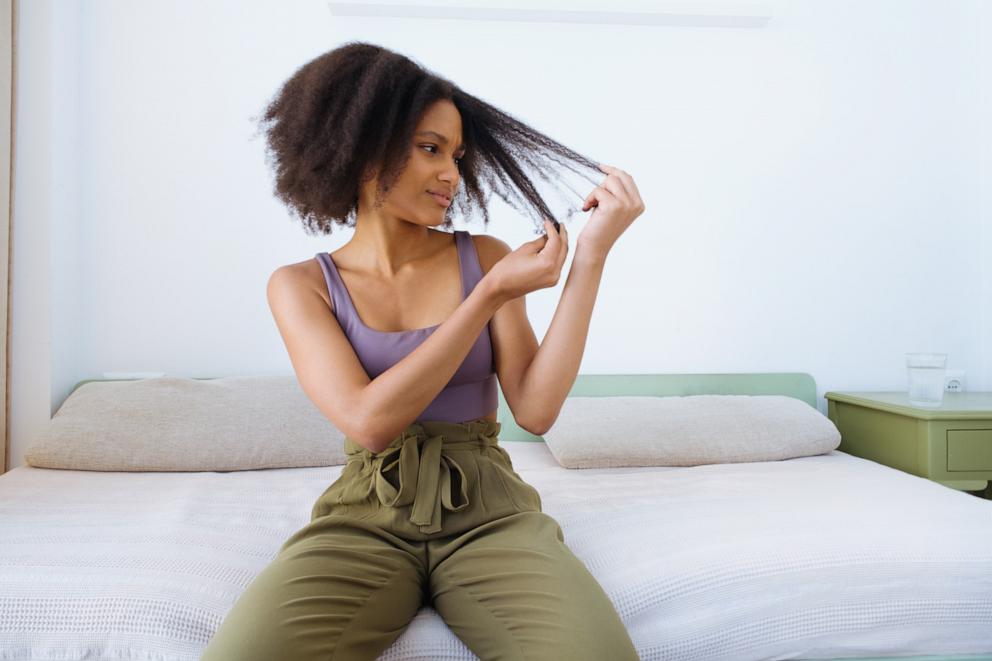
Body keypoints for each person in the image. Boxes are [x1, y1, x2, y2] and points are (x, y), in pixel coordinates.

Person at [201, 41, 645, 660]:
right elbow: (370, 420)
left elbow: (537, 411)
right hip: (363, 516)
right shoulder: (301, 285)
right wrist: (485, 298)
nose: (452, 175)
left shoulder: (483, 257)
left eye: (457, 156)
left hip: (490, 513)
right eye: (430, 149)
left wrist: (591, 256)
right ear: (359, 146)